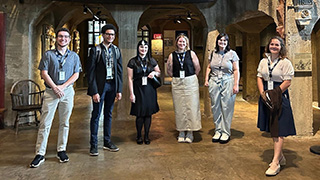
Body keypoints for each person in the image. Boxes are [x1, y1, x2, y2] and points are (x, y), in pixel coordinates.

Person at [30, 28, 82, 168]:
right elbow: (44, 73)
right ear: (56, 38)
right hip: (50, 92)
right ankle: (40, 153)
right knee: (45, 123)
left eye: (65, 37)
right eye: (60, 36)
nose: (63, 39)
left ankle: (61, 149)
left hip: (67, 92)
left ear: (69, 39)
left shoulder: (74, 56)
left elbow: (76, 74)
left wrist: (63, 87)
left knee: (64, 122)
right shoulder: (48, 55)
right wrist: (55, 88)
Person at [257, 36, 296, 176]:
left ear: (281, 47)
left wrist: (274, 94)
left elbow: (287, 81)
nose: (274, 46)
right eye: (272, 44)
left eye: (277, 45)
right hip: (266, 94)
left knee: (278, 130)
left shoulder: (285, 63)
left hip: (279, 95)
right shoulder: (263, 61)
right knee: (272, 128)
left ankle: (275, 163)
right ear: (268, 46)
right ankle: (280, 156)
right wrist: (263, 94)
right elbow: (259, 76)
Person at [87, 24, 123, 156]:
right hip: (100, 87)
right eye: (108, 34)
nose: (110, 37)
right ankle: (94, 145)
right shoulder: (95, 50)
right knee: (96, 115)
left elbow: (119, 71)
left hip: (112, 86)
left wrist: (119, 89)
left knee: (108, 114)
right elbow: (90, 73)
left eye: (113, 35)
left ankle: (107, 142)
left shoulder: (116, 50)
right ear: (103, 35)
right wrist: (94, 91)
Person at [204, 33, 240, 144]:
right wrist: (206, 79)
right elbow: (209, 67)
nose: (222, 42)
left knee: (227, 106)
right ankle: (218, 130)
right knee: (215, 106)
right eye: (220, 40)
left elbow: (236, 70)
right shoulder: (213, 53)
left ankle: (225, 132)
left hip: (227, 80)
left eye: (225, 40)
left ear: (227, 42)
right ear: (217, 41)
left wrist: (236, 84)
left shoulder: (232, 54)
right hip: (214, 80)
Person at [166, 34, 201, 143]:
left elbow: (197, 68)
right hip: (177, 82)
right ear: (177, 43)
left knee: (192, 106)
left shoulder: (191, 53)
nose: (181, 44)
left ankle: (190, 131)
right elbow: (169, 70)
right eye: (180, 42)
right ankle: (181, 131)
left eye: (183, 42)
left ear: (187, 43)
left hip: (190, 81)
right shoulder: (172, 55)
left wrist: (190, 77)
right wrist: (176, 78)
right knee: (179, 107)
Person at [127, 40, 160, 145]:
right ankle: (138, 135)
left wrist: (154, 73)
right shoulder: (132, 61)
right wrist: (131, 93)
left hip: (149, 89)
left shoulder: (151, 60)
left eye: (145, 47)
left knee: (148, 113)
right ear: (138, 48)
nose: (143, 49)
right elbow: (130, 78)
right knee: (139, 114)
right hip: (138, 89)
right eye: (141, 47)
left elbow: (159, 73)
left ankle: (146, 135)